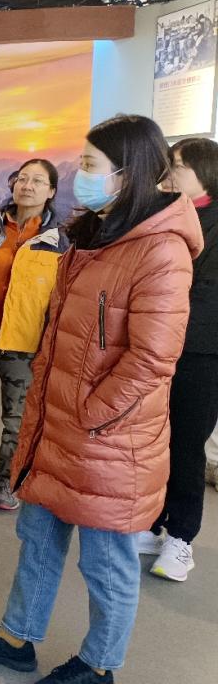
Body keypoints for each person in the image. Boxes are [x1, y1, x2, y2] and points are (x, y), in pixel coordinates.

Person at [0, 115, 202, 684]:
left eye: (89, 166)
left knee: (106, 562)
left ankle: (99, 665)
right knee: (37, 537)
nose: (79, 177)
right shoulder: (93, 236)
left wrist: (91, 412)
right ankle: (17, 638)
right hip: (58, 422)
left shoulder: (161, 250)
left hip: (108, 438)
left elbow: (152, 358)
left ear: (128, 173)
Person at [0, 159, 67, 511]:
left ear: (51, 191)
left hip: (25, 341)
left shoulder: (58, 241)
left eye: (38, 180)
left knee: (18, 418)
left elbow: (61, 297)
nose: (28, 185)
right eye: (23, 178)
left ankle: (9, 482)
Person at [139, 137, 218, 581]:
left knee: (186, 445)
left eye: (179, 165)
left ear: (206, 171)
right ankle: (153, 523)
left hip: (201, 351)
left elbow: (203, 294)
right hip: (155, 347)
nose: (169, 173)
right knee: (151, 441)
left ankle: (182, 537)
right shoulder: (163, 215)